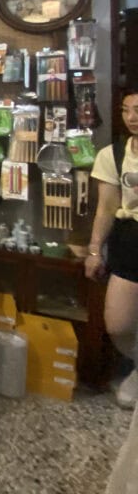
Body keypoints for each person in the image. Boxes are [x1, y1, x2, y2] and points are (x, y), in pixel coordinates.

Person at [85, 88, 138, 408]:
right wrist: (94, 250)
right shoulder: (114, 155)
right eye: (126, 110)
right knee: (118, 323)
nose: (132, 117)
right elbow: (106, 208)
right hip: (129, 241)